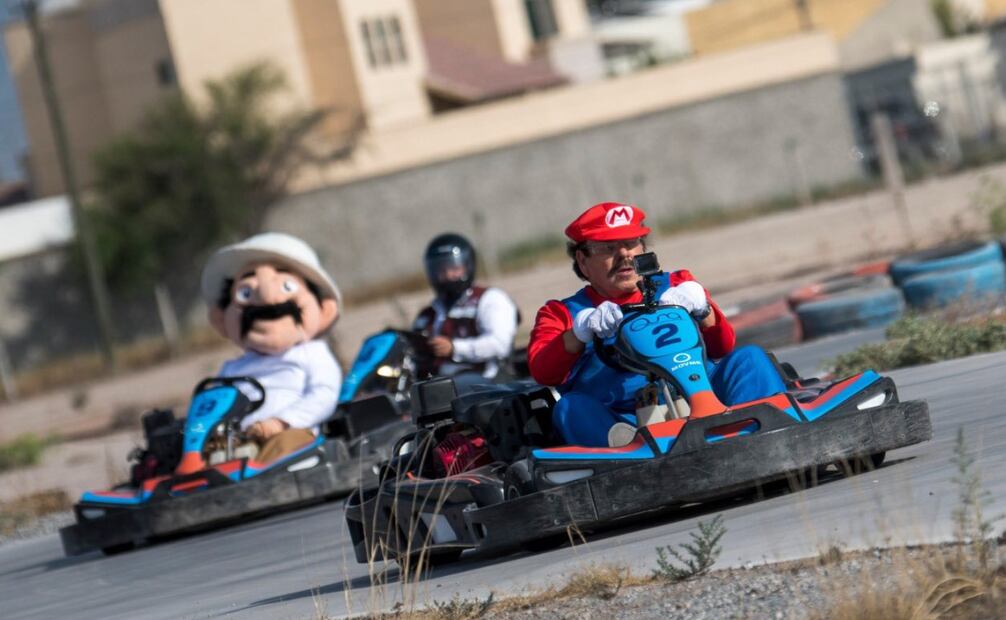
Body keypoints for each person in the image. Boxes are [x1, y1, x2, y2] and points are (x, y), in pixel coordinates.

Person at [528, 202, 787, 447]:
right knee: (570, 407)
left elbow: (723, 347)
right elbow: (543, 372)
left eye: (631, 243)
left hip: (707, 395)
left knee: (750, 358)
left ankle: (762, 432)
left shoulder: (676, 284)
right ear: (583, 261)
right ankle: (628, 455)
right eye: (608, 248)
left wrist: (703, 309)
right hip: (624, 417)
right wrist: (579, 333)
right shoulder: (562, 313)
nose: (624, 255)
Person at [200, 232, 342, 464]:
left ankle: (255, 476)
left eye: (286, 285)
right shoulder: (232, 369)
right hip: (240, 441)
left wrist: (279, 422)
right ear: (221, 319)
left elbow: (323, 394)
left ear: (323, 309)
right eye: (245, 293)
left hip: (291, 434)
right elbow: (214, 405)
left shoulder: (311, 353)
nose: (265, 297)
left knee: (282, 449)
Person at [413, 233, 519, 387]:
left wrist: (454, 348)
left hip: (485, 383)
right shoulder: (429, 314)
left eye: (454, 269)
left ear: (468, 266)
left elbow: (499, 344)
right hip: (436, 383)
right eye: (441, 271)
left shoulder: (491, 299)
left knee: (450, 388)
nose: (448, 275)